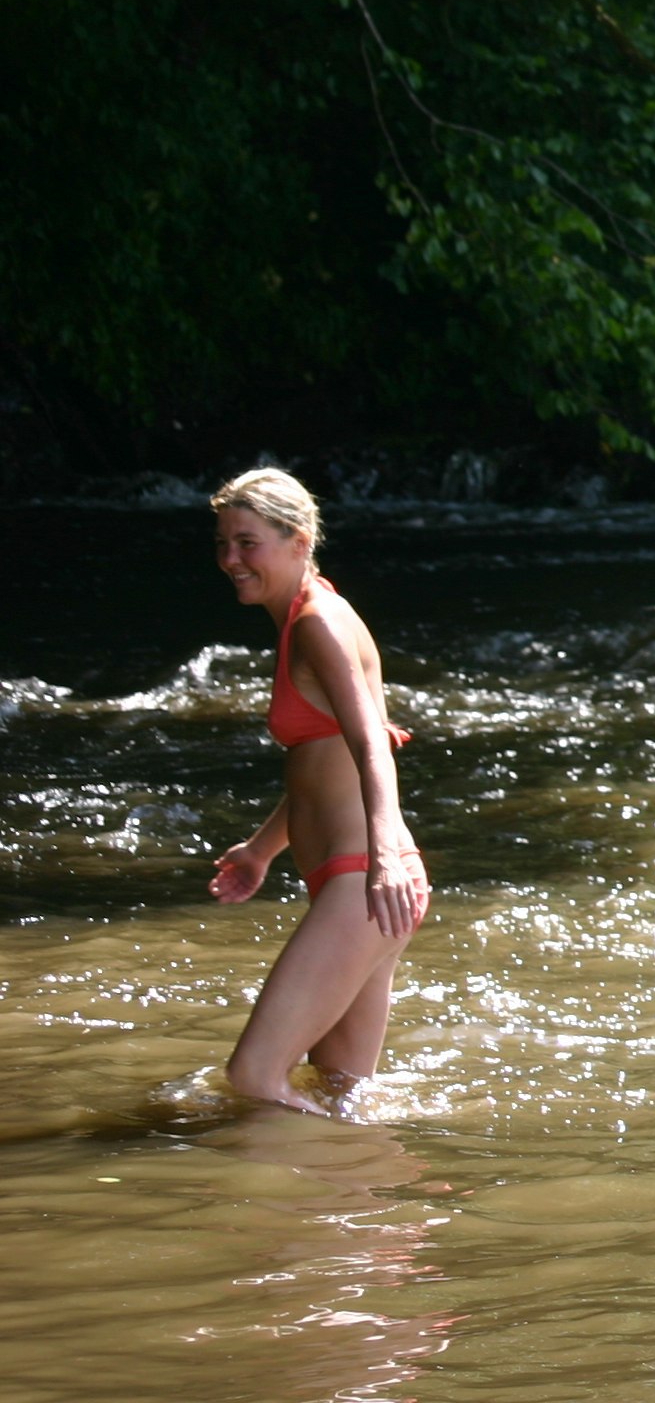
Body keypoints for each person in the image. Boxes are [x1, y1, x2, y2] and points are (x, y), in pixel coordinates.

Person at [204, 468, 432, 1109]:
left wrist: (384, 861)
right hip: (361, 883)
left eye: (248, 543)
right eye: (223, 542)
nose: (230, 559)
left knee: (254, 1078)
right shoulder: (305, 617)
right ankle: (359, 1202)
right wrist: (261, 849)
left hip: (366, 884)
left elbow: (371, 748)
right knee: (339, 1096)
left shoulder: (317, 624)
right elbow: (323, 763)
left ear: (299, 541)